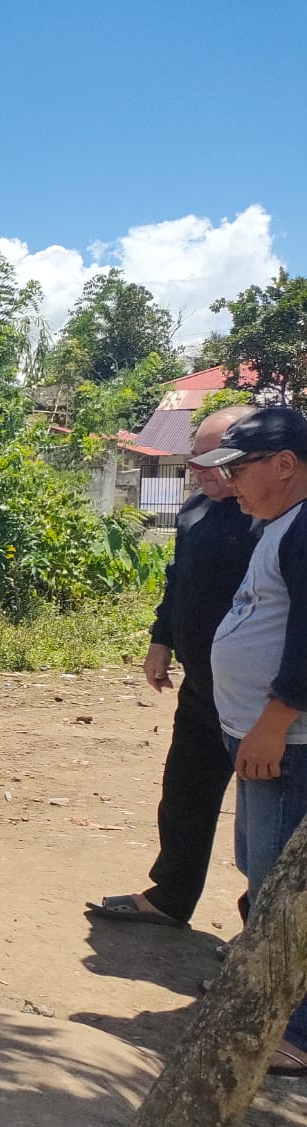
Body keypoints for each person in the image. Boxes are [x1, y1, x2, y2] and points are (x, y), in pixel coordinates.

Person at [88, 407, 258, 928]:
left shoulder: (272, 518)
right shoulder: (196, 510)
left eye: (212, 458)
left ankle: (261, 927)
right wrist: (161, 640)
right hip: (203, 684)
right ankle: (170, 896)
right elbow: (178, 579)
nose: (198, 469)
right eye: (194, 458)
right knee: (184, 792)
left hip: (259, 695)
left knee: (263, 819)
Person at [188, 406, 307, 1075]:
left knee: (285, 889)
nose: (229, 482)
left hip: (288, 743)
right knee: (261, 874)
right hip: (263, 738)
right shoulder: (277, 523)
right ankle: (266, 1002)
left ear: (285, 465)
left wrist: (273, 723)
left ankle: (295, 1029)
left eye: (240, 468)